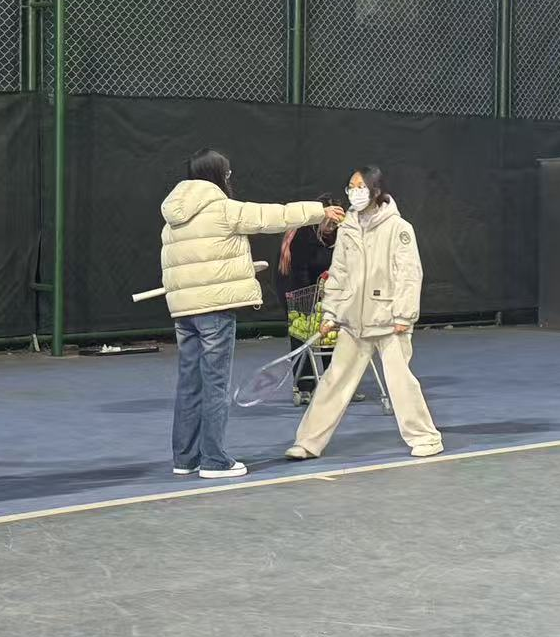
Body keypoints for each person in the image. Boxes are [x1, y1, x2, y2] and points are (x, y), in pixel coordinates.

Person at [161, 150, 344, 480]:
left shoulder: (173, 215)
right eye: (227, 173)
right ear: (219, 175)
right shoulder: (222, 208)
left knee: (190, 383)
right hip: (215, 311)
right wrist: (320, 211)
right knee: (216, 385)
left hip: (184, 312)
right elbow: (272, 216)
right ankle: (214, 461)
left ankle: (185, 459)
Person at [285, 166, 443, 461]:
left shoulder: (399, 228)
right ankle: (307, 442)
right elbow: (339, 273)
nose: (354, 193)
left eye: (360, 187)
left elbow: (409, 274)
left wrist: (403, 316)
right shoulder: (347, 228)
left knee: (400, 382)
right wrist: (331, 313)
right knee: (334, 381)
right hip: (353, 323)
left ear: (376, 190)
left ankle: (426, 437)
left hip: (389, 321)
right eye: (350, 187)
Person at [278, 193, 344, 401]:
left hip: (325, 290)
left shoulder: (342, 234)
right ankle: (304, 386)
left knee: (333, 335)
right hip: (298, 289)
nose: (332, 226)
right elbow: (300, 271)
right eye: (328, 221)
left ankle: (335, 384)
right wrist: (314, 302)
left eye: (335, 222)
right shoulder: (303, 234)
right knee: (302, 332)